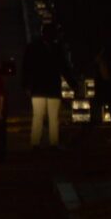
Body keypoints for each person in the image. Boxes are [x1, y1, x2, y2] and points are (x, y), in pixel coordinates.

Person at [22, 20, 73, 149]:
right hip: (51, 87)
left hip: (38, 88)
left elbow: (27, 68)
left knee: (39, 117)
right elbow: (64, 68)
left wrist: (26, 85)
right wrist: (73, 84)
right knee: (53, 117)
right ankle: (53, 142)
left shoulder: (33, 47)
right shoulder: (56, 49)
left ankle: (36, 142)